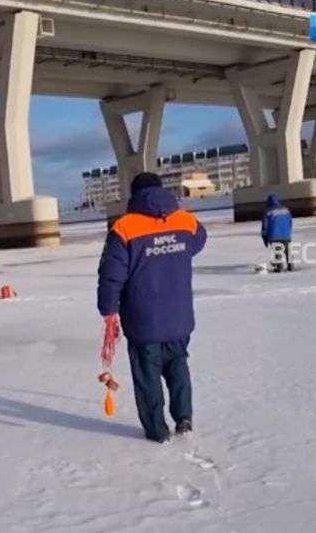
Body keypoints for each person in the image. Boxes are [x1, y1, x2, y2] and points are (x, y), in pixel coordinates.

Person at [97, 172, 208, 443]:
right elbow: (199, 240)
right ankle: (184, 418)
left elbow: (111, 275)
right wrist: (172, 251)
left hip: (143, 320)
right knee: (178, 366)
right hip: (179, 316)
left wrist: (108, 309)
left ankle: (157, 430)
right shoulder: (185, 220)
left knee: (147, 377)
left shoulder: (124, 228)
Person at [261, 193, 294, 273]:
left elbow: (265, 226)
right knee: (288, 252)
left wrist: (265, 238)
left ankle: (279, 268)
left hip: (274, 236)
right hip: (286, 235)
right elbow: (290, 222)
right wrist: (288, 232)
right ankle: (291, 266)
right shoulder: (286, 210)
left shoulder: (268, 211)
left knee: (277, 252)